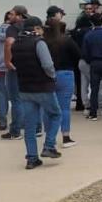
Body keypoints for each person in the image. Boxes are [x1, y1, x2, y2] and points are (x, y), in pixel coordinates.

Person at [10, 16, 61, 169]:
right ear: (36, 29)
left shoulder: (16, 44)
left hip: (24, 88)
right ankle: (49, 145)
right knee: (55, 114)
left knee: (30, 125)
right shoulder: (39, 42)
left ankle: (32, 158)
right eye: (41, 29)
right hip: (42, 86)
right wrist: (52, 76)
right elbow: (47, 64)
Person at [45, 18, 81, 148]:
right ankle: (66, 136)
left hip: (47, 76)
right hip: (65, 73)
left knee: (48, 108)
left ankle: (50, 138)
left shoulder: (43, 42)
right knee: (64, 107)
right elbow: (78, 54)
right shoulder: (66, 40)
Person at [1, 5, 29, 140]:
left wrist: (7, 61)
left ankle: (15, 131)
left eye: (12, 14)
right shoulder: (31, 25)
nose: (9, 16)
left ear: (20, 16)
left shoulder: (13, 28)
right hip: (30, 66)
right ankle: (36, 128)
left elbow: (9, 43)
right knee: (31, 98)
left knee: (16, 99)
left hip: (15, 67)